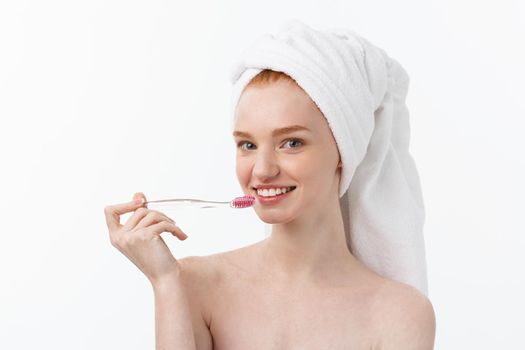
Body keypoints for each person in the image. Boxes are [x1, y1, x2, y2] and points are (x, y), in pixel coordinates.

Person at [104, 22, 436, 350]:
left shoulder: (399, 314)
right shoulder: (193, 284)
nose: (262, 171)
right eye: (247, 145)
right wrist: (164, 282)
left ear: (343, 151)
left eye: (291, 143)